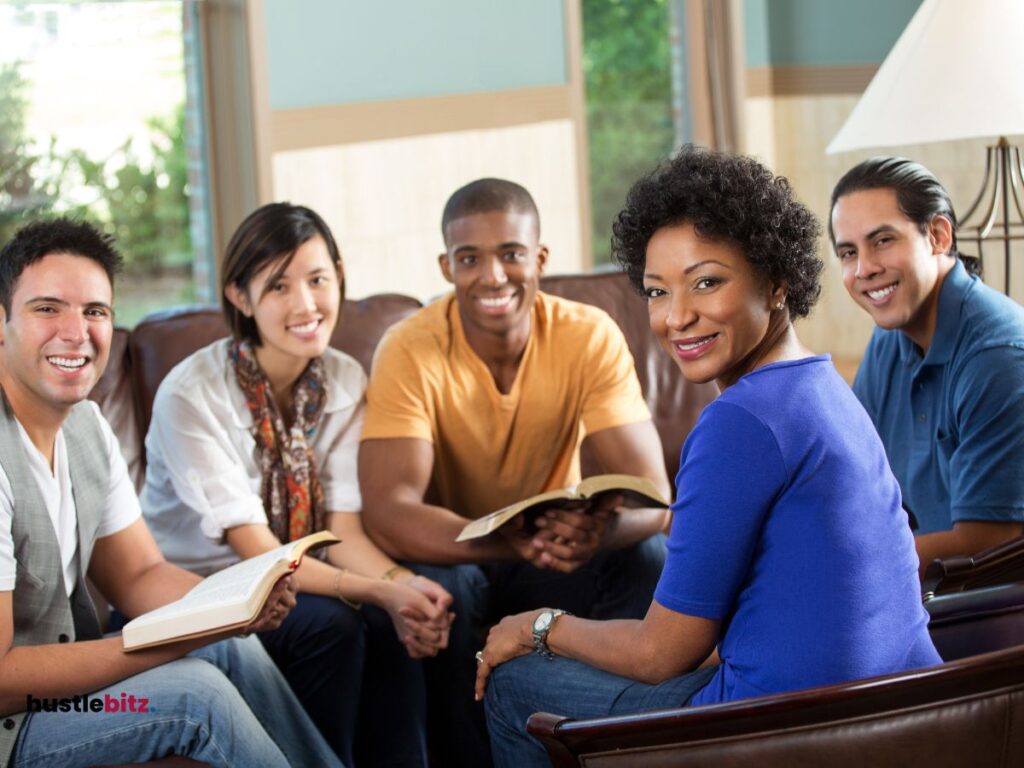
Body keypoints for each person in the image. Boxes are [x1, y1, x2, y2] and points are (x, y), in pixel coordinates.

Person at [476, 147, 942, 766]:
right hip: (902, 714)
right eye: (656, 291)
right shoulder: (823, 386)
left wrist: (536, 626)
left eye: (706, 282)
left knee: (514, 688)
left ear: (776, 281)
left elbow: (661, 654)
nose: (676, 318)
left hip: (783, 730)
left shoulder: (740, 422)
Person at [0, 218, 341, 768]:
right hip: (13, 725)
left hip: (55, 705)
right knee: (194, 697)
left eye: (95, 311)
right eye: (47, 309)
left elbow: (138, 576)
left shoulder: (85, 426)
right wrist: (163, 644)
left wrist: (237, 604)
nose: (75, 331)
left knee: (231, 644)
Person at [359, 178, 672, 766]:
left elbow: (654, 498)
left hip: (556, 556)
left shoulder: (588, 334)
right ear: (446, 266)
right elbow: (389, 508)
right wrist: (507, 539)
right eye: (470, 258)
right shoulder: (409, 346)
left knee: (646, 558)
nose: (493, 276)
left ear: (541, 259)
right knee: (444, 590)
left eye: (511, 254)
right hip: (457, 553)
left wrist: (595, 534)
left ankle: (626, 749)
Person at [140, 202, 453, 767]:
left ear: (339, 274)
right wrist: (381, 591)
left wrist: (404, 586)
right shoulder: (191, 395)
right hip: (195, 590)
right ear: (240, 296)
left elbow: (344, 530)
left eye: (318, 279)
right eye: (278, 287)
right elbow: (258, 554)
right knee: (330, 625)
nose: (306, 305)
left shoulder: (343, 379)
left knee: (394, 615)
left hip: (290, 577)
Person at [830, 157, 1024, 574]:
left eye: (882, 240)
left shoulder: (999, 356)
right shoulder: (888, 338)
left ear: (937, 235)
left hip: (991, 606)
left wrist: (849, 564)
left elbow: (990, 540)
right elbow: (857, 478)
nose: (864, 269)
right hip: (918, 589)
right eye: (849, 252)